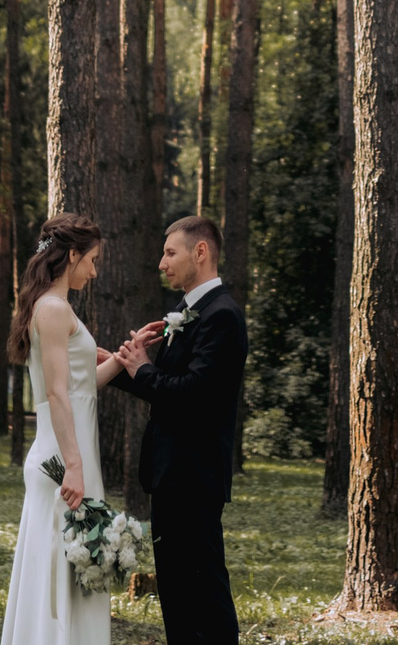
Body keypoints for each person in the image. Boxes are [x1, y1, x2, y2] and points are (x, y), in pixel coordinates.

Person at [110, 215, 247, 645]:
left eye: (170, 253)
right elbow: (165, 388)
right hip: (171, 474)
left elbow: (193, 393)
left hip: (195, 476)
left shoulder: (222, 316)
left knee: (204, 589)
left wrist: (143, 369)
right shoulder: (192, 312)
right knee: (177, 591)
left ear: (200, 252)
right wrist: (114, 365)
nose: (162, 263)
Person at [0, 213, 132, 645]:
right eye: (92, 260)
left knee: (65, 576)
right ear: (72, 255)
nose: (93, 272)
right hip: (63, 459)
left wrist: (125, 358)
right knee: (60, 579)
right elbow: (56, 394)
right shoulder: (54, 309)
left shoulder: (52, 307)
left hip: (68, 454)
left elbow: (78, 387)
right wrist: (74, 466)